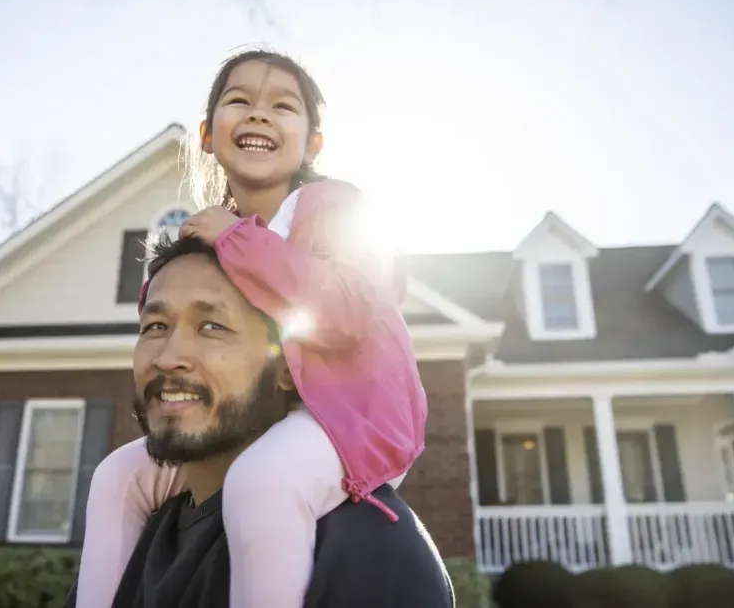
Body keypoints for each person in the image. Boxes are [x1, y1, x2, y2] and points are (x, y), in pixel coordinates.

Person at [76, 49, 428, 608]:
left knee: (263, 481)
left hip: (348, 417)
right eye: (239, 101)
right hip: (263, 409)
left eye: (283, 106)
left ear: (314, 143)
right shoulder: (218, 227)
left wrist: (234, 240)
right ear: (208, 134)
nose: (259, 114)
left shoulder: (334, 207)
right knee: (118, 475)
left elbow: (347, 311)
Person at [66, 234, 452, 608]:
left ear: (289, 367)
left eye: (211, 327)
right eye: (156, 327)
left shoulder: (370, 552)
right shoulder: (129, 543)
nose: (168, 357)